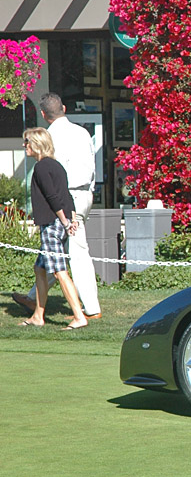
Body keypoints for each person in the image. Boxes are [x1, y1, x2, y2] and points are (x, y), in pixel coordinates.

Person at [14, 93, 101, 320]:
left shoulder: (48, 137)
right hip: (84, 194)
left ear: (43, 114)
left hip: (65, 199)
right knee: (55, 253)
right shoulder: (82, 132)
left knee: (75, 252)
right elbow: (92, 165)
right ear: (63, 107)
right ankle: (34, 298)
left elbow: (52, 180)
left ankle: (90, 309)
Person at [19, 128, 88, 330]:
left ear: (36, 143)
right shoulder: (56, 166)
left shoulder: (41, 167)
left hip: (52, 224)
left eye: (27, 142)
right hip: (60, 223)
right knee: (40, 268)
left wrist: (65, 221)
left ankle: (79, 316)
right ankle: (38, 316)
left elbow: (53, 197)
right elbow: (66, 195)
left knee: (59, 271)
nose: (25, 146)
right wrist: (72, 219)